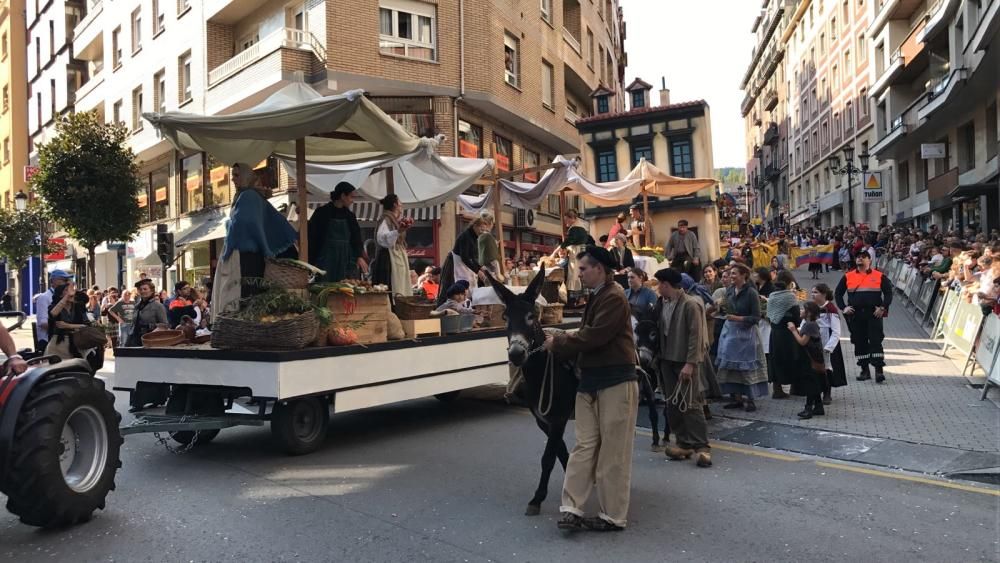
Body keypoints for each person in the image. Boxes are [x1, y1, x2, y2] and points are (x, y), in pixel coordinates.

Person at [544, 246, 638, 532]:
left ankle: (613, 516)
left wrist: (558, 342)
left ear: (599, 269)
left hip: (616, 382)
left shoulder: (614, 297)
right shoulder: (600, 296)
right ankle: (572, 507)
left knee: (613, 452)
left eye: (583, 268)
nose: (579, 273)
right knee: (584, 447)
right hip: (592, 382)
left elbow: (594, 336)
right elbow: (588, 335)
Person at [212, 163, 299, 314]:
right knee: (247, 294)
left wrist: (229, 227)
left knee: (241, 294)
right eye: (232, 175)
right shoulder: (249, 195)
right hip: (249, 256)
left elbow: (245, 222)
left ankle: (241, 328)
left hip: (244, 256)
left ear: (246, 177)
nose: (233, 179)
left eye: (236, 175)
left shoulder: (248, 196)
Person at [654, 268, 712, 467]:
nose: (657, 287)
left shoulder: (690, 304)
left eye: (659, 283)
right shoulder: (663, 303)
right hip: (667, 359)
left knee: (691, 403)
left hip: (684, 361)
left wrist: (690, 363)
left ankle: (702, 447)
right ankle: (684, 443)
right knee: (673, 403)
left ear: (666, 284)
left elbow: (696, 336)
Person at [715, 263, 769, 412]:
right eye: (730, 274)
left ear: (744, 275)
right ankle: (736, 398)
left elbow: (756, 317)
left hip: (747, 334)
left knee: (746, 368)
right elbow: (726, 307)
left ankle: (749, 399)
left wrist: (738, 319)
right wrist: (719, 306)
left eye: (734, 274)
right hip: (731, 333)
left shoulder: (751, 292)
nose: (731, 277)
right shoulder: (730, 290)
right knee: (730, 368)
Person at [835, 251, 893, 383]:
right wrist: (844, 308)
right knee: (859, 341)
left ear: (869, 260)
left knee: (876, 340)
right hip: (855, 315)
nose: (859, 259)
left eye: (863, 257)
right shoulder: (848, 276)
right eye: (858, 257)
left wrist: (882, 307)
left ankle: (879, 371)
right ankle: (864, 370)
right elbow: (838, 294)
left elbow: (889, 293)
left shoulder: (879, 276)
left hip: (873, 314)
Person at [309, 181, 368, 283]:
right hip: (326, 259)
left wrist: (359, 255)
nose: (352, 201)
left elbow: (356, 237)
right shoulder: (322, 213)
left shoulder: (350, 216)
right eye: (351, 197)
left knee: (345, 288)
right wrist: (311, 261)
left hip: (346, 259)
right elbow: (312, 237)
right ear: (342, 196)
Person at [437, 212, 493, 306]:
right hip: (454, 265)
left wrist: (481, 267)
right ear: (475, 225)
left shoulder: (476, 237)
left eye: (484, 229)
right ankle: (442, 311)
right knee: (450, 289)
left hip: (465, 265)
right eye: (480, 228)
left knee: (467, 289)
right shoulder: (465, 236)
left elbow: (473, 257)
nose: (482, 231)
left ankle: (466, 309)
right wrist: (478, 271)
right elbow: (465, 257)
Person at [787, 301, 827, 419]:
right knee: (813, 382)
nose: (800, 311)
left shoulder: (809, 325)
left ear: (809, 313)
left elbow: (803, 342)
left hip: (810, 358)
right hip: (814, 357)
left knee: (810, 383)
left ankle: (808, 408)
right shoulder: (811, 324)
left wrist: (793, 330)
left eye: (803, 309)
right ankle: (818, 406)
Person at [766, 271, 801, 399]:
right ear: (789, 282)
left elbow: (769, 315)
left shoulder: (772, 296)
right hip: (788, 333)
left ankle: (777, 389)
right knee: (792, 358)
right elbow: (796, 317)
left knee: (776, 360)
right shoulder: (790, 297)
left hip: (774, 333)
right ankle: (795, 387)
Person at [372, 194, 413, 297]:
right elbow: (382, 238)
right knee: (392, 284)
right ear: (395, 205)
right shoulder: (386, 218)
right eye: (400, 203)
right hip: (388, 258)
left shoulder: (393, 219)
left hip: (395, 256)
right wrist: (398, 231)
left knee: (399, 284)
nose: (401, 205)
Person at [812, 283, 847, 404]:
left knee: (826, 369)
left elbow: (836, 331)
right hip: (813, 342)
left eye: (815, 292)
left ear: (824, 294)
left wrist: (829, 347)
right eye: (812, 292)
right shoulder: (812, 308)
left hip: (826, 343)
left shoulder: (831, 310)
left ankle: (827, 392)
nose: (813, 295)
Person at [560, 209, 594, 306]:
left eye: (567, 220)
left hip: (577, 252)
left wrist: (563, 246)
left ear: (572, 219)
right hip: (581, 251)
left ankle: (576, 299)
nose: (566, 222)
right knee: (580, 273)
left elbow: (571, 239)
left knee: (575, 274)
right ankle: (581, 299)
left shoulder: (575, 228)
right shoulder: (581, 226)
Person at [34, 269, 73, 352]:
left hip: (64, 339)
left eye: (68, 280)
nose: (67, 283)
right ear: (54, 281)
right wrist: (66, 328)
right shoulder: (44, 297)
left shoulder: (66, 297)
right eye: (64, 280)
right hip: (48, 341)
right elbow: (42, 323)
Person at [125, 279, 169, 347]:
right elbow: (133, 324)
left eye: (145, 289)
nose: (142, 291)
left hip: (151, 340)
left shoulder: (158, 306)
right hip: (135, 340)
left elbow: (164, 325)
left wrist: (151, 333)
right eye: (140, 289)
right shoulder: (137, 306)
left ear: (151, 291)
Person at [477, 212, 502, 282]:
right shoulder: (487, 236)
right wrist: (498, 274)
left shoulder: (478, 235)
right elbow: (492, 258)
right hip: (488, 269)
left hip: (480, 268)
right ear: (490, 223)